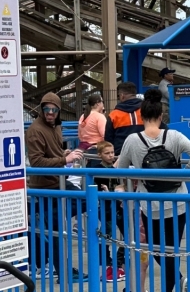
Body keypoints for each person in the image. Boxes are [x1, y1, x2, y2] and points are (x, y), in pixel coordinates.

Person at [116, 87, 190, 292]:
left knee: (156, 249)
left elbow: (120, 169)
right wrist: (185, 174)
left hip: (149, 202)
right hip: (178, 200)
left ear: (141, 116)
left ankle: (176, 285)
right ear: (162, 116)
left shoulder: (132, 140)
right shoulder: (174, 135)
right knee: (173, 248)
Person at [25, 92, 87, 281]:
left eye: (53, 110)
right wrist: (64, 159)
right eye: (46, 109)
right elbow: (36, 162)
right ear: (42, 110)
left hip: (57, 181)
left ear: (59, 111)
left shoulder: (56, 125)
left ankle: (62, 269)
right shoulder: (35, 130)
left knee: (83, 202)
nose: (50, 113)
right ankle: (63, 271)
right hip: (46, 186)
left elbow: (50, 152)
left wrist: (62, 152)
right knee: (56, 229)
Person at [87, 141, 125, 281]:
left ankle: (118, 260)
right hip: (105, 207)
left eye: (112, 152)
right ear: (99, 155)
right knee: (106, 234)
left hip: (117, 206)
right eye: (107, 153)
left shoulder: (115, 169)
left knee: (127, 233)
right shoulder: (98, 170)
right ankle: (106, 260)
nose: (111, 156)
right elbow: (95, 189)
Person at [106, 82, 144, 155]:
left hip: (120, 155)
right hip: (143, 153)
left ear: (122, 96)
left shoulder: (114, 115)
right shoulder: (146, 111)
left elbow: (108, 139)